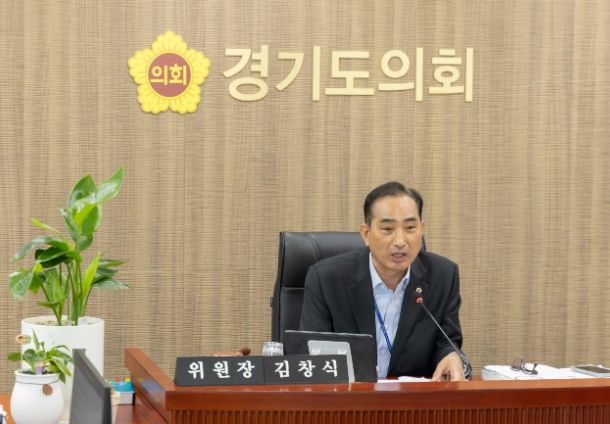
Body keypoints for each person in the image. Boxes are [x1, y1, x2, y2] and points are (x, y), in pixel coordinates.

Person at [299, 182, 466, 380]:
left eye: (410, 228)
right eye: (387, 229)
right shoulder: (326, 279)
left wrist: (451, 356)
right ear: (366, 234)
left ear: (422, 229)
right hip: (349, 395)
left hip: (413, 397)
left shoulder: (443, 277)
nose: (400, 241)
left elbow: (446, 341)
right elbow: (313, 354)